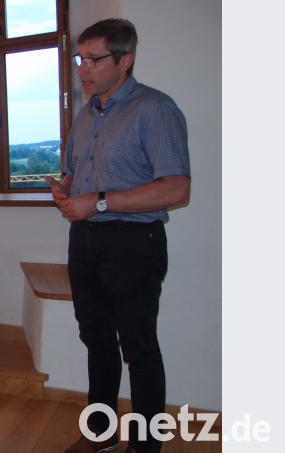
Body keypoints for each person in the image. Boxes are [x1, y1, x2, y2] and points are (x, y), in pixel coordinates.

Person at [44, 19, 191, 453]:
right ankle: (101, 433)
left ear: (125, 60)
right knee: (96, 339)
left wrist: (100, 201)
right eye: (79, 59)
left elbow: (176, 188)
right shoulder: (85, 114)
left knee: (138, 347)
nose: (82, 69)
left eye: (93, 59)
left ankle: (145, 447)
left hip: (133, 244)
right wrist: (65, 189)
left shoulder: (154, 109)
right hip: (85, 241)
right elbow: (75, 175)